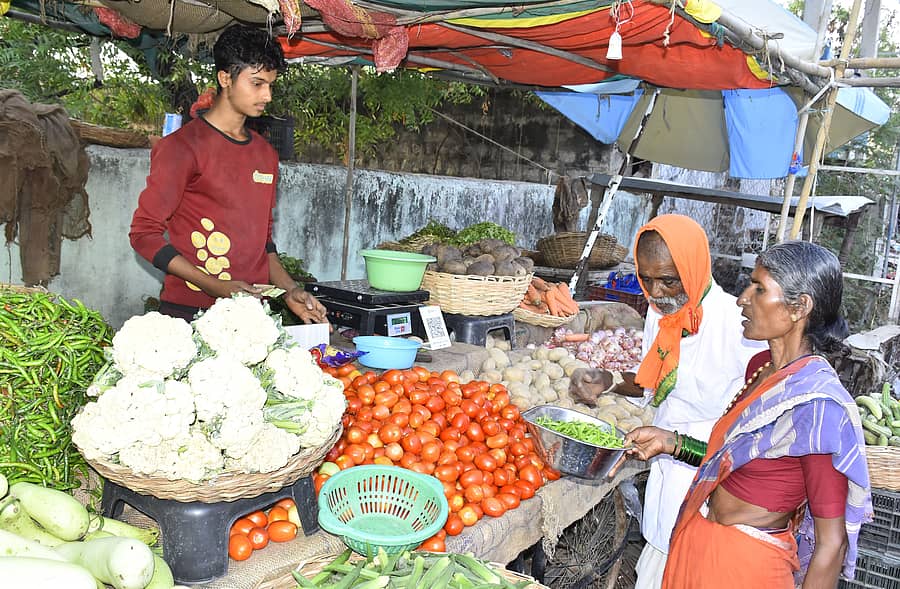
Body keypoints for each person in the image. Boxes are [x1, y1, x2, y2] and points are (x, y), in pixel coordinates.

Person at [615, 241, 871, 588]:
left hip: (746, 568)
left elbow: (831, 542)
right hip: (699, 544)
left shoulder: (816, 406)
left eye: (759, 288)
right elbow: (734, 462)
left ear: (799, 307)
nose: (742, 298)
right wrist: (672, 443)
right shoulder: (760, 368)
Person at [569, 214, 765, 589]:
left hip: (712, 494)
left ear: (693, 267)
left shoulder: (740, 328)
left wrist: (676, 440)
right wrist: (608, 383)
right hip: (665, 482)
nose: (656, 293)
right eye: (646, 278)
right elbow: (652, 388)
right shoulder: (661, 318)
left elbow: (749, 434)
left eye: (668, 280)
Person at [130, 24, 327, 325]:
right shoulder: (182, 148)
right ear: (225, 78)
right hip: (189, 316)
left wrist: (290, 290)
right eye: (257, 83)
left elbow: (264, 243)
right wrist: (215, 286)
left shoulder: (265, 155)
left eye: (271, 85)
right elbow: (143, 235)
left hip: (251, 319)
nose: (268, 95)